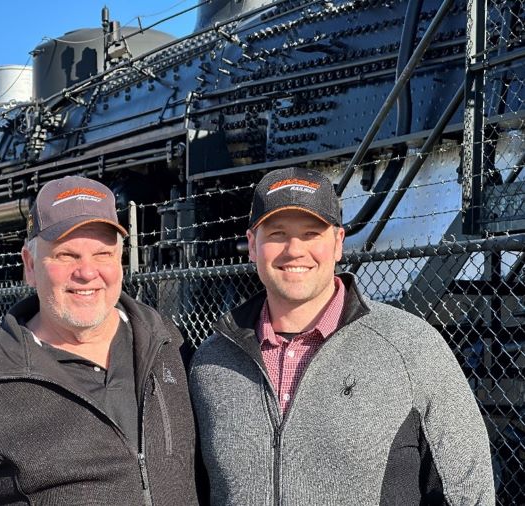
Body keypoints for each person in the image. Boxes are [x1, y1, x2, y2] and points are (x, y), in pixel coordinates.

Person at [189, 167, 495, 505]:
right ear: (252, 245)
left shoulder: (411, 347)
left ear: (337, 243)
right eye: (276, 233)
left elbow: (468, 489)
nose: (294, 250)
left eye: (311, 234)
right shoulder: (211, 362)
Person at [0, 175, 201, 505]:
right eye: (66, 255)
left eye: (103, 254)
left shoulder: (171, 349)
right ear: (30, 265)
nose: (87, 272)